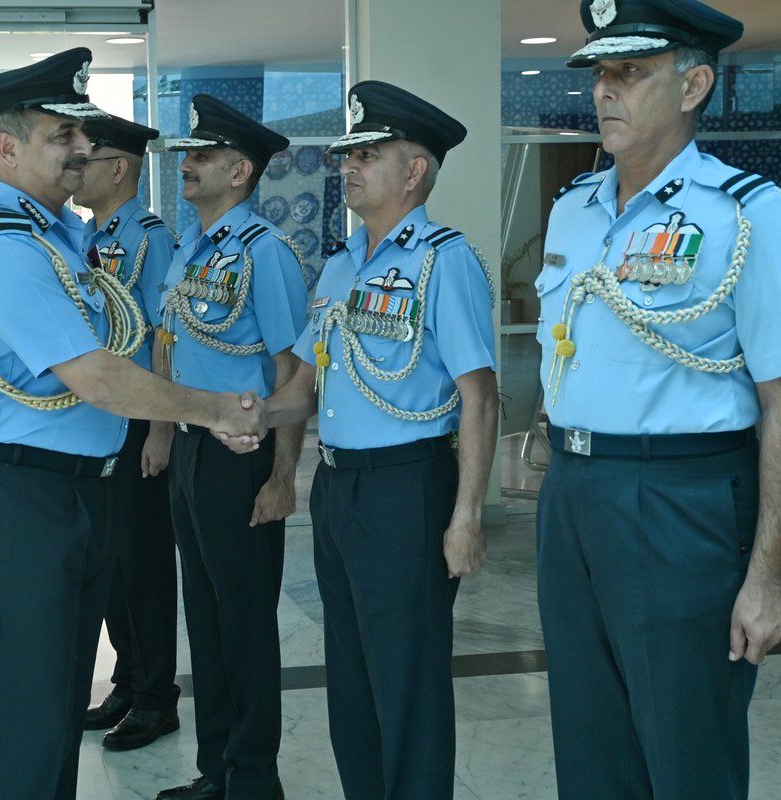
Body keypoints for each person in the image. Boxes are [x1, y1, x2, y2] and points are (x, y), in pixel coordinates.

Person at [0, 48, 262, 800]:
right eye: (63, 137)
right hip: (18, 499)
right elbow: (95, 376)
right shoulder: (9, 250)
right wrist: (214, 412)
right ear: (9, 149)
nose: (84, 149)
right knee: (27, 719)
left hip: (72, 493)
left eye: (83, 137)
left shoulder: (59, 238)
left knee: (53, 711)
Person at [536, 2, 781, 798]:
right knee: (588, 742)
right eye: (600, 73)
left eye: (631, 72)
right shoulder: (573, 211)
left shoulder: (749, 216)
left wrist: (769, 579)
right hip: (573, 495)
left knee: (687, 749)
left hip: (680, 500)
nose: (604, 91)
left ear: (693, 84)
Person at [220, 81, 498, 800]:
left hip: (408, 485)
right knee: (350, 672)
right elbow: (306, 384)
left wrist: (467, 515)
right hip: (339, 486)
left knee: (406, 677)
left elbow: (481, 397)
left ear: (414, 172)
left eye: (368, 155)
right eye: (348, 154)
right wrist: (239, 416)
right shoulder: (342, 265)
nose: (348, 167)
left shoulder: (445, 261)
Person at [154, 94, 308, 800]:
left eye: (204, 156)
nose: (188, 165)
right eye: (189, 154)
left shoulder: (263, 255)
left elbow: (290, 373)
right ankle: (214, 770)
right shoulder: (192, 247)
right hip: (192, 450)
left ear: (241, 170)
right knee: (206, 618)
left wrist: (282, 477)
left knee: (243, 623)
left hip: (241, 456)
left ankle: (252, 780)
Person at [72, 114, 181, 750]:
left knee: (143, 566)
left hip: (139, 420)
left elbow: (164, 337)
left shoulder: (149, 237)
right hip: (100, 420)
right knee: (112, 561)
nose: (76, 168)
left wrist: (161, 428)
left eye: (90, 159)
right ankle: (128, 676)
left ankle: (156, 696)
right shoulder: (89, 235)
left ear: (121, 169)